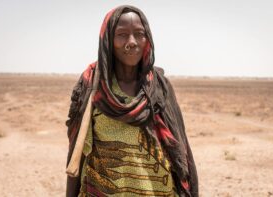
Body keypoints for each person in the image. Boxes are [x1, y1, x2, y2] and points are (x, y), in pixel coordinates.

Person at [66, 5, 198, 197]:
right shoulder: (92, 85)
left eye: (139, 34)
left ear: (148, 39)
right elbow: (75, 153)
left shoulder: (160, 87)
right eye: (121, 34)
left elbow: (180, 149)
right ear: (108, 39)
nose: (132, 42)